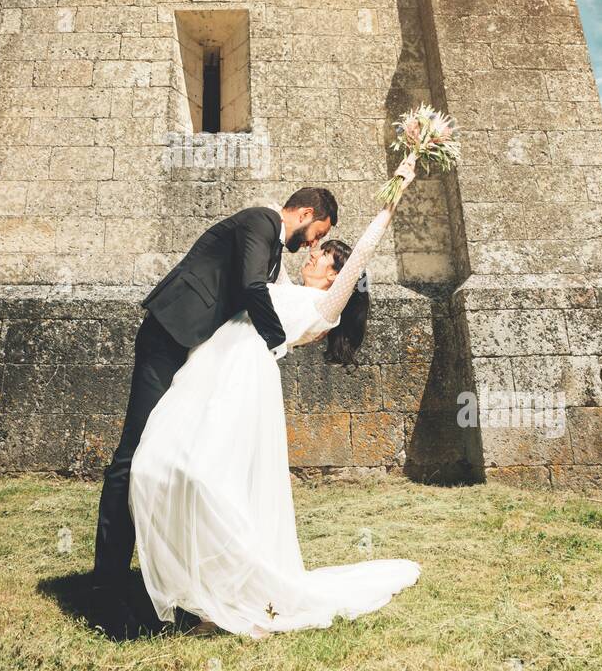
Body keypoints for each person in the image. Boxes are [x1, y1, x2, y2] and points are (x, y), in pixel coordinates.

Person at [128, 155, 420, 639]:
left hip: (244, 380)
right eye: (316, 242)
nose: (315, 251)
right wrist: (277, 214)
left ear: (336, 275)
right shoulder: (282, 281)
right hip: (210, 368)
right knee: (157, 465)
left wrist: (397, 189)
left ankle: (231, 595)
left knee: (209, 478)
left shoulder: (326, 305)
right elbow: (270, 238)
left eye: (324, 252)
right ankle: (198, 587)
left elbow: (365, 249)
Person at [90, 186, 339, 640]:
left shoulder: (271, 248)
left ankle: (153, 583)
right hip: (168, 336)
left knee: (164, 458)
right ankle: (105, 593)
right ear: (304, 213)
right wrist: (275, 340)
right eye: (315, 232)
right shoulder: (261, 223)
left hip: (188, 348)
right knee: (132, 459)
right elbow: (248, 288)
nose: (310, 244)